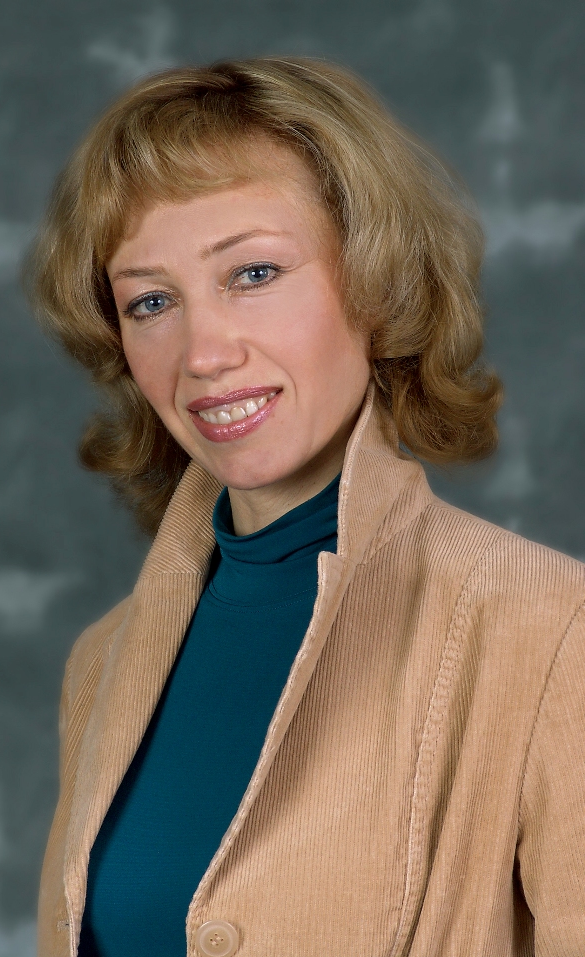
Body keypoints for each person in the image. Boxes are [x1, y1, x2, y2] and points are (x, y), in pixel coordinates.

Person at [29, 57, 585, 957]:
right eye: (152, 300)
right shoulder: (103, 662)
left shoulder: (553, 630)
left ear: (375, 283)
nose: (203, 352)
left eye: (253, 272)